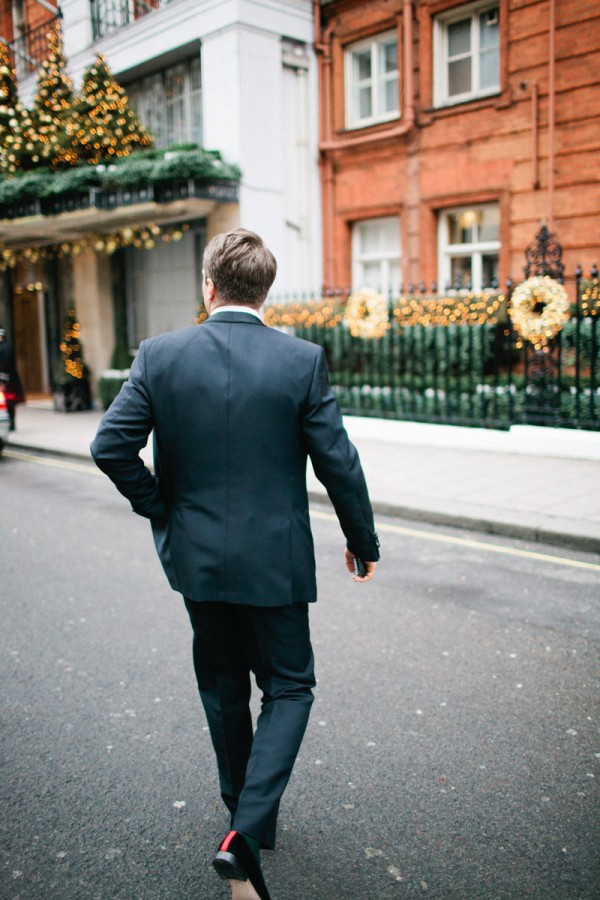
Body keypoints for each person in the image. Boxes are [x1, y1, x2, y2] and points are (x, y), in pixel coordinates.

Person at [90, 228, 380, 900]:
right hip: (274, 565)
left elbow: (110, 446)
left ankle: (240, 830)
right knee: (289, 688)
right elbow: (339, 461)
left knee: (225, 690)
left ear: (208, 285)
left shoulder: (160, 356)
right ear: (265, 292)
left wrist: (162, 508)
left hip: (197, 561)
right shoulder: (300, 360)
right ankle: (244, 834)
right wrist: (362, 543)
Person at [0, 327, 25, 431]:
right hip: (6, 380)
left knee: (8, 403)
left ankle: (10, 423)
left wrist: (2, 381)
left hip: (7, 381)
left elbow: (5, 365)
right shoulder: (4, 347)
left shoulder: (5, 348)